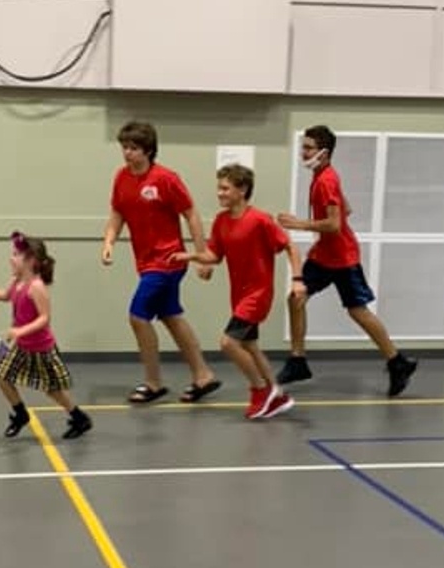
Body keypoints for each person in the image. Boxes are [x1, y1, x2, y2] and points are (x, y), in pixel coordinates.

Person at [275, 125, 418, 397]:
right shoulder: (322, 177)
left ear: (324, 153)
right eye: (303, 147)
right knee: (296, 298)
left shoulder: (326, 180)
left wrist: (299, 224)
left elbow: (334, 224)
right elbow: (346, 209)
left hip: (343, 259)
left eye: (308, 148)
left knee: (357, 310)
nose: (303, 152)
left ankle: (397, 362)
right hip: (324, 256)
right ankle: (298, 361)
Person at [101, 120, 222, 404]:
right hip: (145, 261)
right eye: (124, 147)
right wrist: (109, 241)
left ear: (148, 150)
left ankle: (153, 382)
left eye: (133, 148)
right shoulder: (121, 177)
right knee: (170, 315)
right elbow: (117, 213)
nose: (127, 153)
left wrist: (202, 255)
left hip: (168, 260)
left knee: (137, 315)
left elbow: (190, 214)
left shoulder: (166, 179)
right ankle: (204, 375)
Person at [171, 164, 298, 420]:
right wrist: (193, 257)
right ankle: (278, 394)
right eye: (219, 187)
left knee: (228, 343)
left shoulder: (260, 220)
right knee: (249, 345)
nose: (219, 193)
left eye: (225, 188)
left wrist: (298, 280)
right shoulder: (221, 221)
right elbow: (214, 255)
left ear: (242, 190)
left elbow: (290, 248)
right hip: (238, 295)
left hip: (257, 294)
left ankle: (260, 391)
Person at [0, 231, 93, 440]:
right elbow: (5, 296)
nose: (11, 258)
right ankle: (20, 414)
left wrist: (18, 331)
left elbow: (44, 319)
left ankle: (79, 418)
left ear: (31, 261)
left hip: (41, 349)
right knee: (2, 378)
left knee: (52, 391)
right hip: (22, 347)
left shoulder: (37, 287)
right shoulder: (16, 281)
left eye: (16, 254)